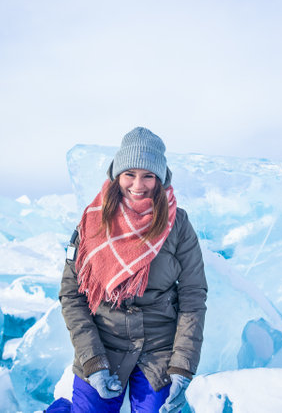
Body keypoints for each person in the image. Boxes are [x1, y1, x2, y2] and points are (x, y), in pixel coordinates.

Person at [47, 127, 207, 413]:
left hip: (158, 350)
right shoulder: (91, 222)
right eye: (129, 174)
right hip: (103, 345)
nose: (138, 184)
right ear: (116, 175)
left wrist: (182, 367)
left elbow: (193, 296)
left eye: (148, 175)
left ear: (161, 179)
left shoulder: (178, 225)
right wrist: (93, 361)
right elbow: (72, 295)